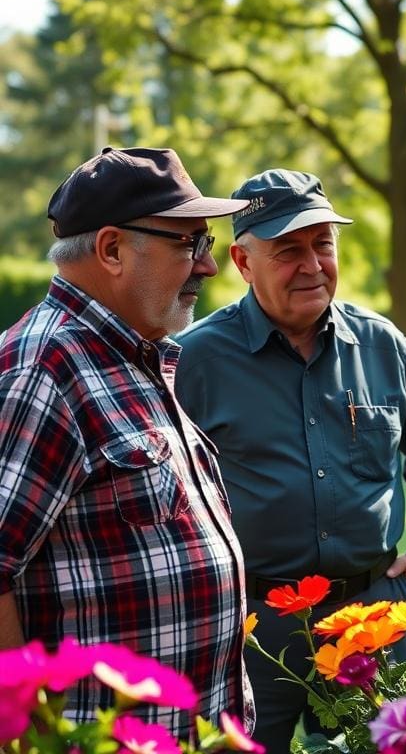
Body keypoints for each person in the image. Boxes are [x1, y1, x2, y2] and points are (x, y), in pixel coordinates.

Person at [174, 168, 406, 753]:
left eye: (322, 244)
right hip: (252, 633)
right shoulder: (193, 360)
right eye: (288, 250)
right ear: (242, 260)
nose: (312, 265)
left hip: (373, 621)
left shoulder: (381, 343)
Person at [0, 147, 253, 738]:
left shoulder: (133, 353)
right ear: (112, 249)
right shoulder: (46, 367)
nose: (208, 267)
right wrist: (23, 739)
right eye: (189, 244)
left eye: (207, 244)